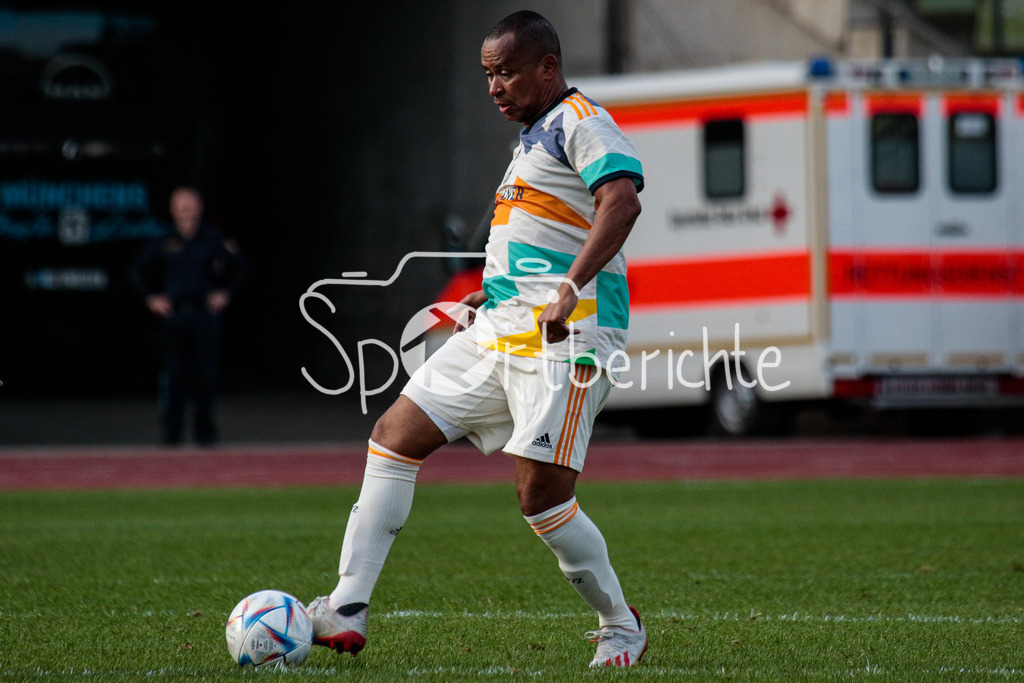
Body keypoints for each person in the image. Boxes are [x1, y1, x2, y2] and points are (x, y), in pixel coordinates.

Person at [306, 10, 647, 668]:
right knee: (395, 435)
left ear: (547, 68)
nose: (493, 86)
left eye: (506, 72)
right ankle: (348, 604)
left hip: (568, 338)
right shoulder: (528, 139)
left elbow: (622, 200)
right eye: (487, 74)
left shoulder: (580, 121)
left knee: (542, 498)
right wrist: (487, 295)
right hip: (502, 330)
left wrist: (570, 286)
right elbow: (538, 239)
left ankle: (620, 623)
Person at [131, 186, 244, 445]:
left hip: (204, 318)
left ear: (199, 208)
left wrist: (225, 293)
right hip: (174, 320)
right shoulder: (163, 241)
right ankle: (172, 436)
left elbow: (239, 267)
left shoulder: (212, 240)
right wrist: (152, 298)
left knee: (206, 379)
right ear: (173, 210)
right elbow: (138, 271)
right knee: (174, 380)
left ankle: (205, 436)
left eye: (190, 205)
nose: (186, 211)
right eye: (181, 206)